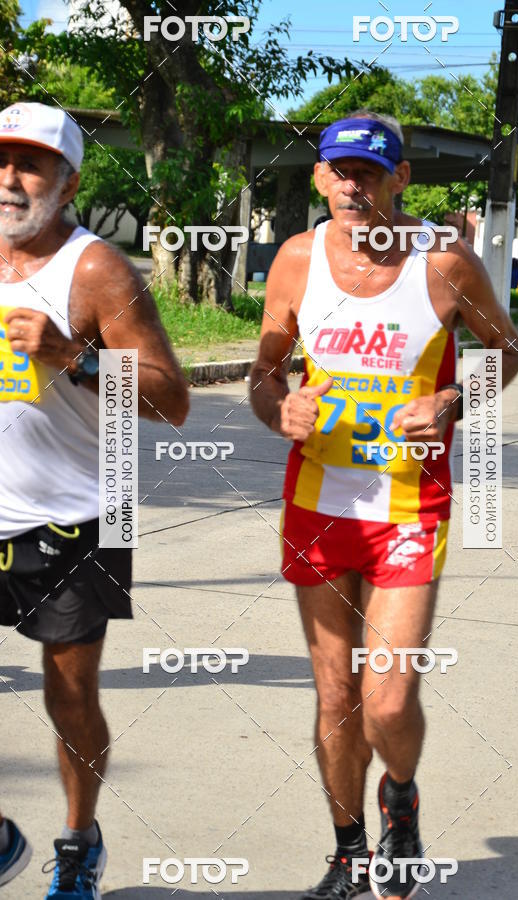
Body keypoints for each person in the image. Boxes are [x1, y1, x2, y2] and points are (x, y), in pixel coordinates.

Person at [250, 110, 518, 899]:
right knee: (336, 695)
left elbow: (507, 353)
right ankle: (347, 851)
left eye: (371, 173)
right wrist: (281, 410)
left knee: (388, 694)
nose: (353, 185)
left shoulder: (444, 263)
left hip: (410, 507)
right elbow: (266, 373)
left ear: (402, 180)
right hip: (316, 507)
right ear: (318, 177)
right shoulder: (298, 261)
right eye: (340, 171)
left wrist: (451, 402)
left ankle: (399, 798)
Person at [0, 101, 189, 897]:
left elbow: (169, 397)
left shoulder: (95, 269)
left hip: (79, 511)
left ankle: (78, 841)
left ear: (69, 180)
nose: (9, 179)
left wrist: (74, 356)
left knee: (68, 693)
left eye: (30, 164)